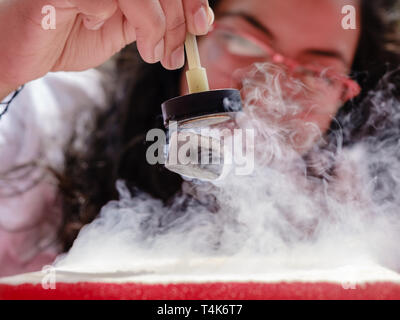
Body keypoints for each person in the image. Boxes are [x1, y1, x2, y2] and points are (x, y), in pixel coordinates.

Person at [0, 0, 398, 277]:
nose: (266, 86)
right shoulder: (58, 123)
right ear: (187, 37)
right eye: (243, 40)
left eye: (318, 73)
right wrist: (5, 62)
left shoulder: (371, 210)